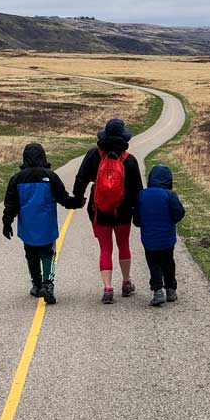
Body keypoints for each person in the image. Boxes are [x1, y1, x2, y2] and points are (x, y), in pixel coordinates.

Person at [72, 118, 144, 304]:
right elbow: (138, 191)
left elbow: (80, 180)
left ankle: (108, 288)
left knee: (105, 248)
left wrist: (79, 199)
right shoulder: (129, 160)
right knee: (124, 245)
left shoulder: (93, 155)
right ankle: (126, 282)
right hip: (123, 210)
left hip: (99, 210)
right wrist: (138, 212)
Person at [2, 142, 81, 303]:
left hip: (27, 226)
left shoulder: (17, 179)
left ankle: (36, 284)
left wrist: (7, 222)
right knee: (48, 254)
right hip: (46, 225)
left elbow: (11, 204)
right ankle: (48, 284)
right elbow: (63, 198)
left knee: (31, 255)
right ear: (43, 157)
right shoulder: (50, 176)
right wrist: (76, 202)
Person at [133, 164, 186, 307]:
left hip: (149, 238)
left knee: (154, 263)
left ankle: (157, 290)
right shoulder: (170, 195)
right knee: (168, 262)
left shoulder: (142, 195)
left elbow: (136, 219)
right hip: (167, 237)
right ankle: (171, 289)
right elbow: (179, 214)